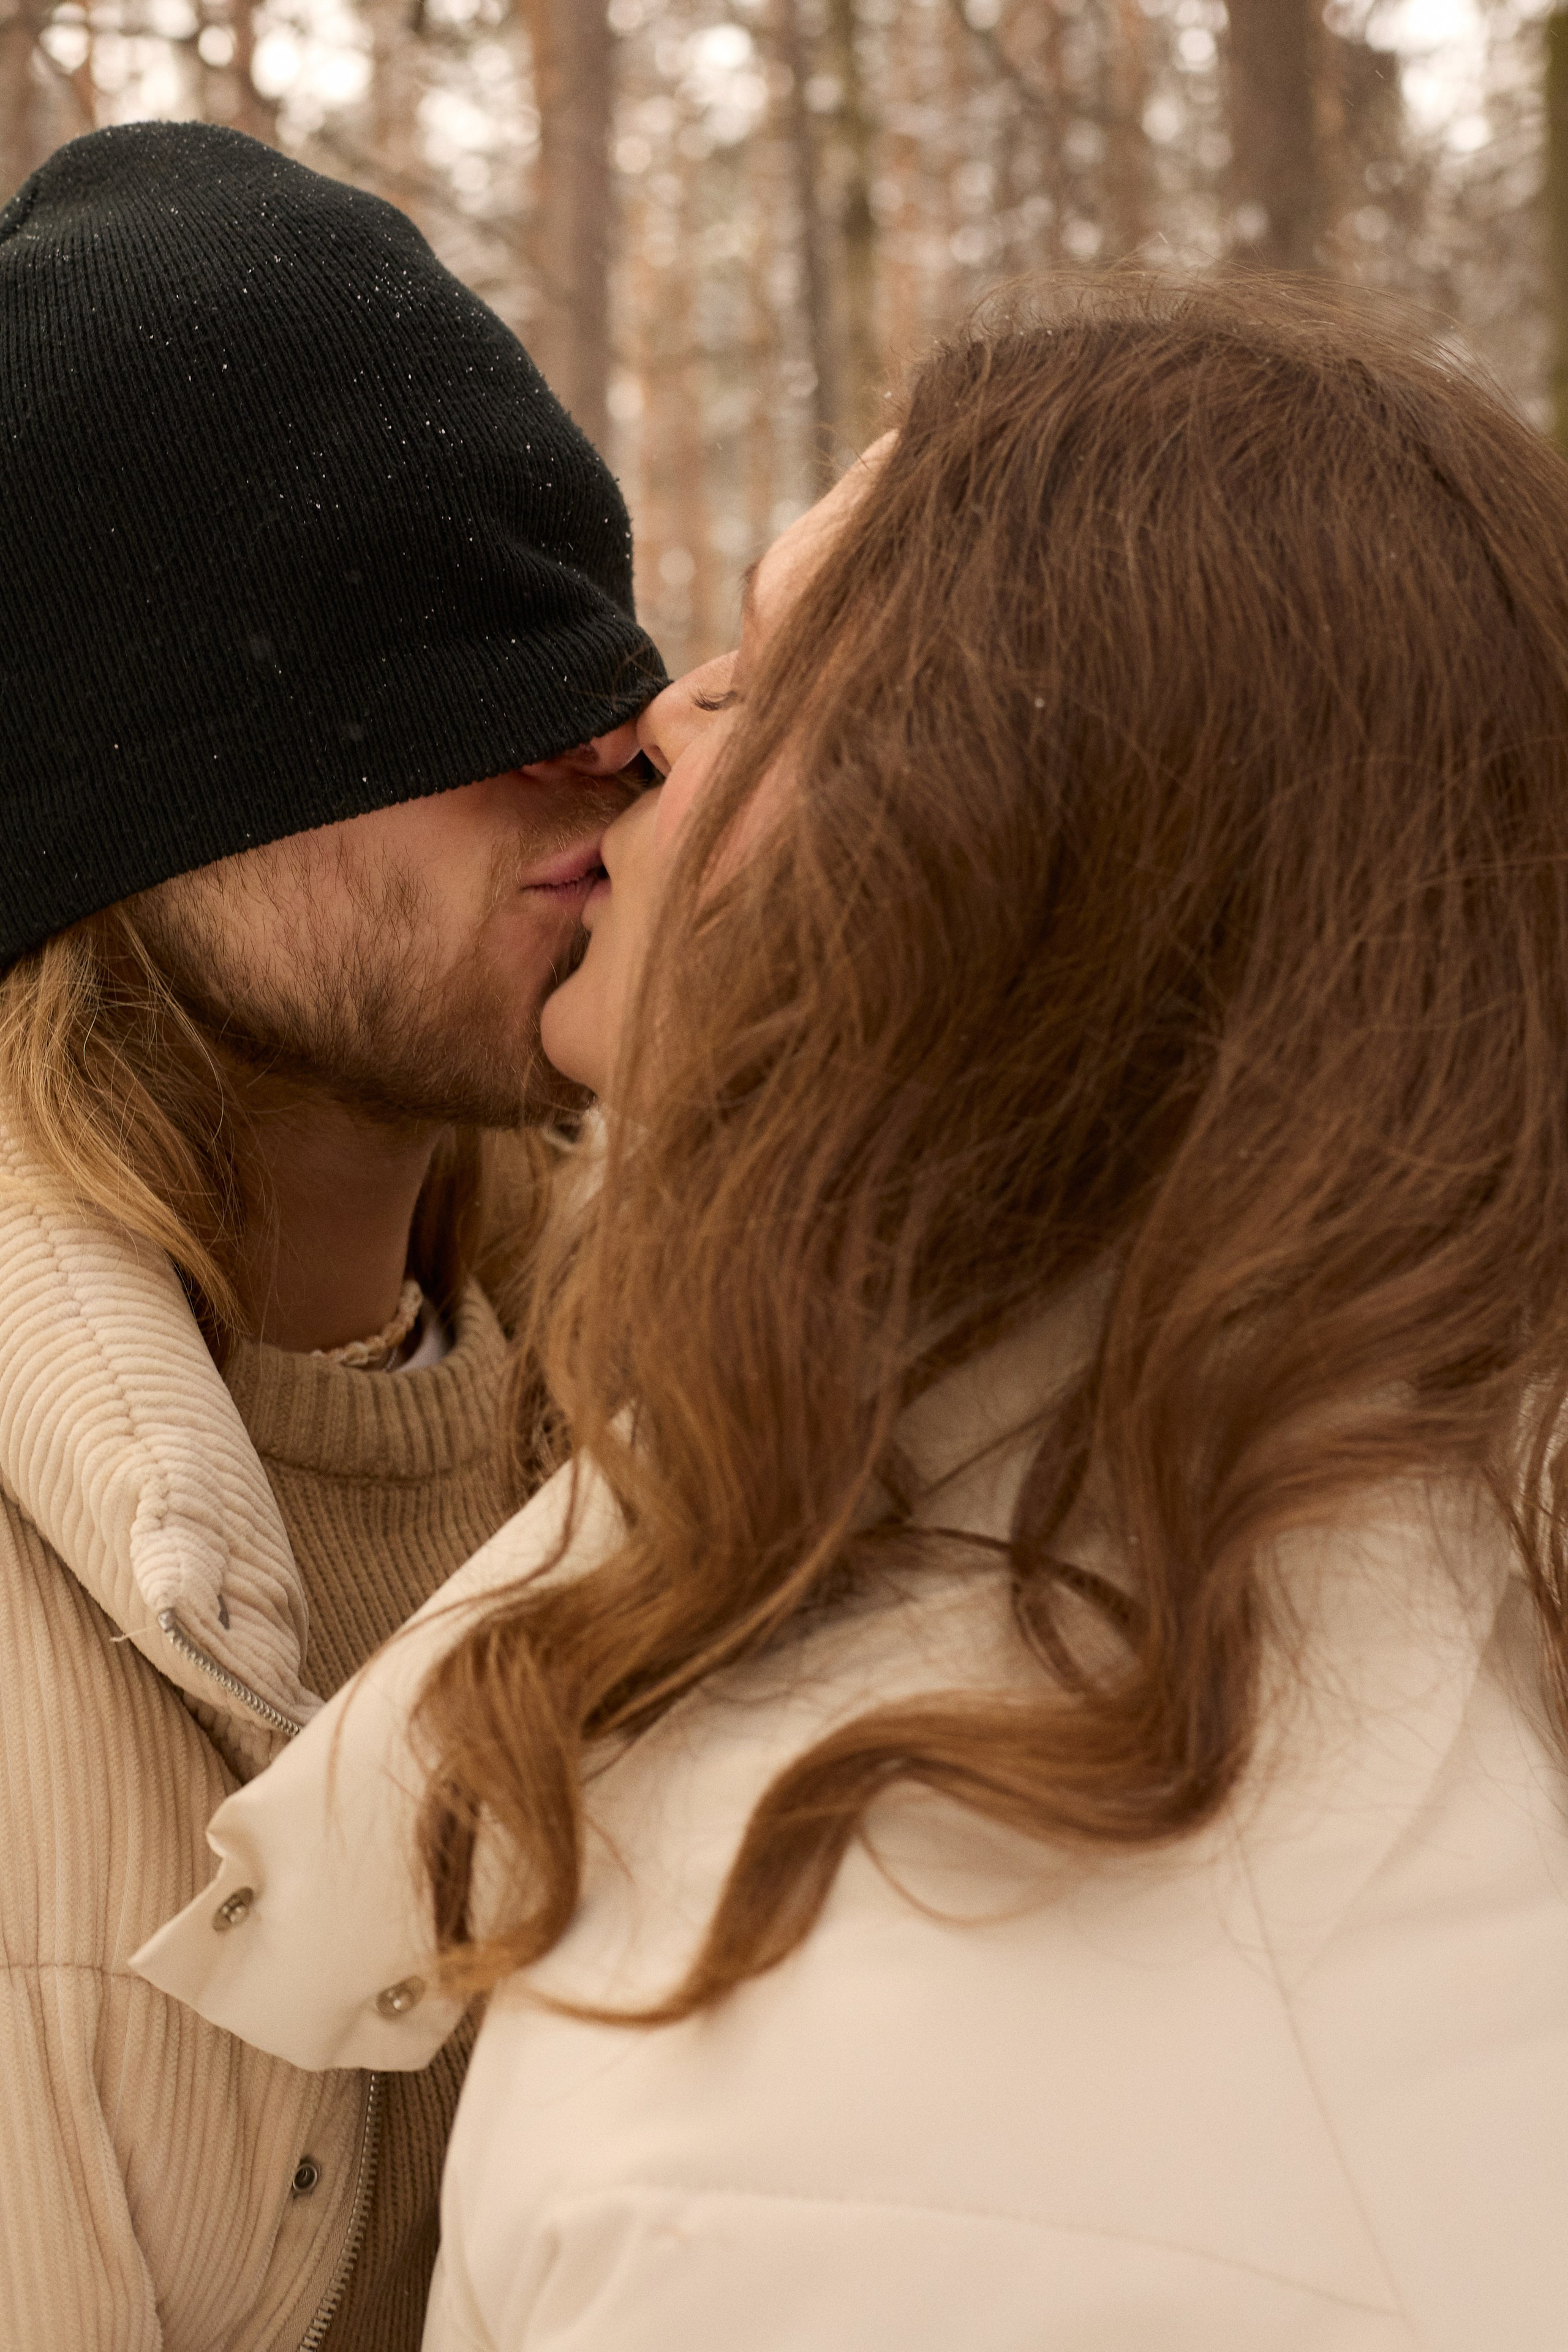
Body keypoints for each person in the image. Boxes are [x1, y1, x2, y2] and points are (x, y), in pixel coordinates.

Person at [140, 279, 1568, 2349]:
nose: (649, 716)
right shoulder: (1114, 1569)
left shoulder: (850, 2142)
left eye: (778, 668)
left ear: (1010, 861)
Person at [0, 120, 662, 2352]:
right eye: (428, 657)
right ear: (130, 779)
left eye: (579, 616)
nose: (609, 730)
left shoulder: (693, 1440)